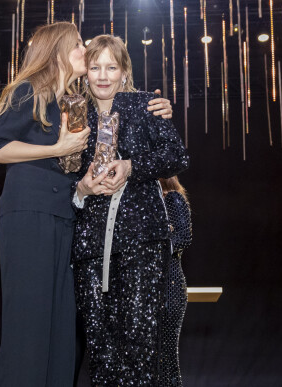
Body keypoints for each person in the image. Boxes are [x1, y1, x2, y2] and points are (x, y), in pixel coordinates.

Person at [0, 22, 172, 387]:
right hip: (29, 213)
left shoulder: (72, 101)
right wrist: (56, 149)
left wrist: (156, 104)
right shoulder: (30, 90)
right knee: (30, 321)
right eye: (78, 46)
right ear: (57, 51)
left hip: (65, 216)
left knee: (61, 325)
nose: (84, 52)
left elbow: (113, 96)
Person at [71, 35, 189, 386]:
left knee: (139, 348)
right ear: (86, 72)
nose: (103, 76)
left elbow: (178, 157)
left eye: (111, 67)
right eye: (95, 67)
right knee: (101, 351)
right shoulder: (75, 112)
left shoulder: (145, 106)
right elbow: (63, 174)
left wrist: (132, 166)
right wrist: (82, 187)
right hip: (91, 247)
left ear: (124, 72)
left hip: (141, 243)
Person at [159, 176, 192, 385]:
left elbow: (183, 238)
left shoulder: (172, 198)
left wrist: (155, 241)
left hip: (169, 285)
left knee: (166, 356)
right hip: (153, 285)